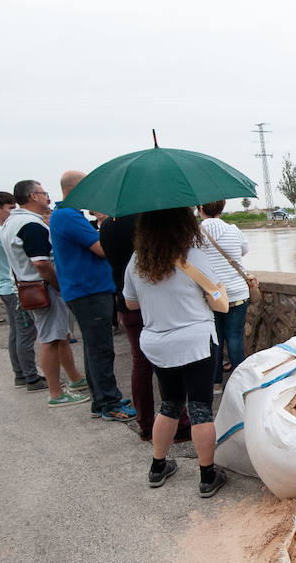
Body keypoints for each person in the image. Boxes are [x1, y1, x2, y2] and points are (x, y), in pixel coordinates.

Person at [122, 206, 227, 497]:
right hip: (194, 341)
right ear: (183, 226)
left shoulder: (137, 262)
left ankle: (158, 466)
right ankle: (207, 475)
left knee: (169, 404)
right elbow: (218, 297)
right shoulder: (193, 258)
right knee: (200, 409)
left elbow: (130, 304)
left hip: (157, 343)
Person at [49, 171, 135, 422]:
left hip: (86, 289)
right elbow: (102, 249)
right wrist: (108, 222)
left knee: (93, 347)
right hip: (88, 290)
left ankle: (101, 400)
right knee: (101, 349)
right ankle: (109, 402)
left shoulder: (63, 215)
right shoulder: (67, 215)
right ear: (77, 188)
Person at [99, 212, 192, 442]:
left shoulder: (106, 226)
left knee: (140, 364)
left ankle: (147, 424)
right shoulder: (145, 221)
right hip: (155, 302)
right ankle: (179, 424)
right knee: (169, 363)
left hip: (127, 302)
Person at [1, 179, 89, 408]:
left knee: (60, 337)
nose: (46, 197)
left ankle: (75, 378)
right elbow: (41, 263)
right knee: (50, 339)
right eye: (43, 192)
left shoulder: (11, 223)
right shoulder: (30, 225)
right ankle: (56, 392)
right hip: (43, 288)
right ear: (33, 196)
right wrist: (60, 285)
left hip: (29, 286)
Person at [0, 191, 44, 388]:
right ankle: (31, 376)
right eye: (9, 208)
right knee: (25, 332)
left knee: (16, 332)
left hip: (4, 287)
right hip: (14, 288)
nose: (13, 212)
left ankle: (20, 373)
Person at [196, 200, 251, 385]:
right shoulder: (233, 230)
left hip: (212, 294)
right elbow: (244, 250)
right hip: (237, 292)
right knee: (235, 337)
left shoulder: (195, 233)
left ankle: (216, 382)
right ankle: (240, 383)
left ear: (201, 208)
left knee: (216, 339)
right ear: (222, 208)